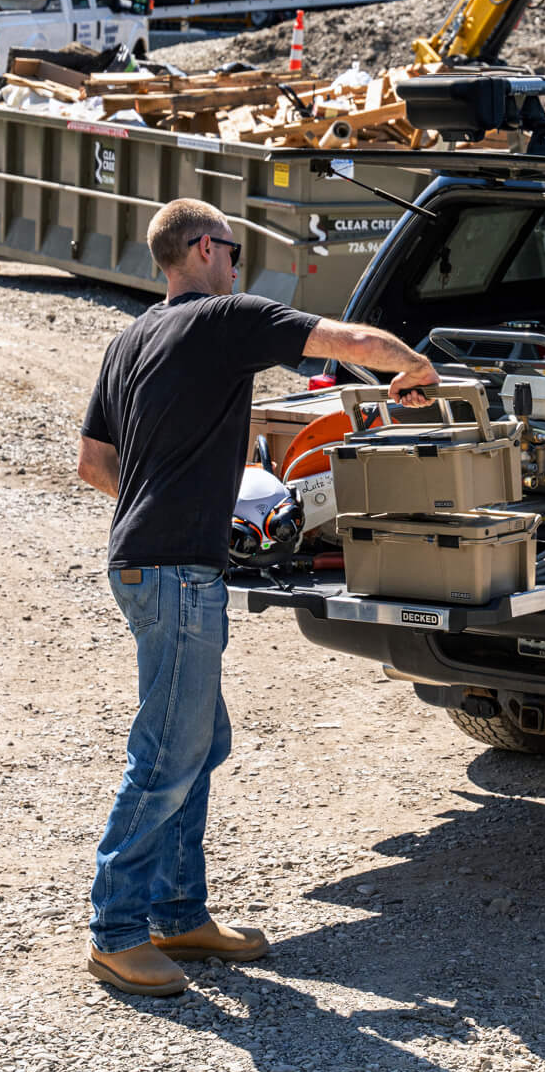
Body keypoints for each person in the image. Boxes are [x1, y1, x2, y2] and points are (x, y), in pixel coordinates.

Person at [77, 197, 439, 996]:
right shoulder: (224, 317)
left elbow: (94, 463)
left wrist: (163, 504)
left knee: (198, 743)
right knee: (168, 754)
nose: (239, 266)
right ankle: (115, 929)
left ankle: (178, 913)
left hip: (146, 561)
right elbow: (346, 341)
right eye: (234, 251)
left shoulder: (131, 336)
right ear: (204, 249)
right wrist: (413, 368)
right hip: (173, 568)